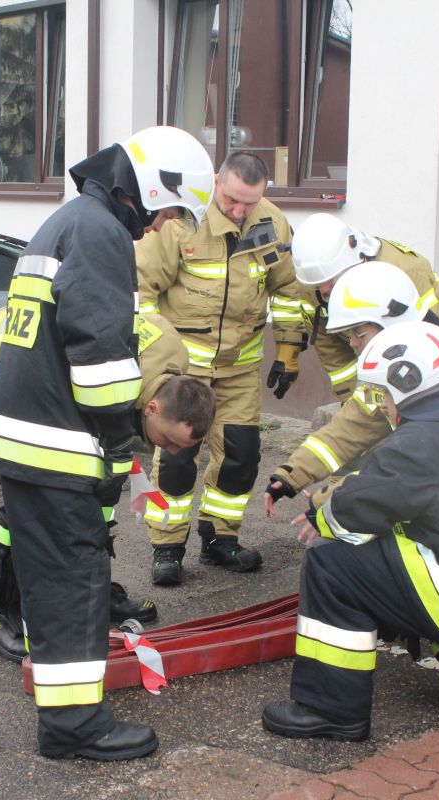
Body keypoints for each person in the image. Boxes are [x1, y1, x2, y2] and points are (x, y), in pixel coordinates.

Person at [0, 126, 215, 761]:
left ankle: (67, 720)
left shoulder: (66, 222)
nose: (161, 226)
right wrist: (117, 443)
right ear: (152, 189)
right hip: (57, 446)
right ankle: (75, 726)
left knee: (54, 589)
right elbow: (103, 364)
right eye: (169, 211)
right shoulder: (101, 233)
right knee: (76, 588)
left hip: (26, 442)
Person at [262, 321, 439, 741]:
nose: (381, 406)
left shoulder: (422, 441)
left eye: (382, 394)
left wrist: (320, 516)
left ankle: (330, 709)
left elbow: (358, 505)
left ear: (408, 384)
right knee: (424, 546)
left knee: (331, 564)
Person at [0, 308, 215, 661]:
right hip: (7, 356)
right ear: (150, 408)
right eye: (170, 440)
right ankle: (2, 614)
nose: (172, 451)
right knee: (30, 484)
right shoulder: (108, 381)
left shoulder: (168, 360)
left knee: (102, 481)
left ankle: (91, 592)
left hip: (75, 366)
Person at [136, 151, 308, 586]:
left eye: (249, 202)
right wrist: (150, 357)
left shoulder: (272, 223)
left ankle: (219, 538)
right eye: (232, 200)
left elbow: (289, 290)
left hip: (239, 370)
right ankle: (167, 547)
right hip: (182, 372)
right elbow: (140, 290)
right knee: (176, 460)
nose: (239, 211)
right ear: (216, 181)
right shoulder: (180, 221)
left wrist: (289, 349)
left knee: (240, 456)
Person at [263, 261, 439, 519]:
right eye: (349, 334)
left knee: (401, 521)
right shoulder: (404, 367)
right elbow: (349, 429)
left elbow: (402, 469)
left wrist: (327, 502)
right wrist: (290, 475)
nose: (352, 343)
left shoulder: (426, 376)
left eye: (358, 332)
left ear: (390, 324)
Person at [290, 212, 439, 403]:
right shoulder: (311, 282)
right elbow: (334, 356)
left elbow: (429, 349)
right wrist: (357, 402)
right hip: (370, 343)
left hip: (437, 345)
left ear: (355, 260)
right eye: (318, 284)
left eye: (332, 280)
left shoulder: (406, 272)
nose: (324, 290)